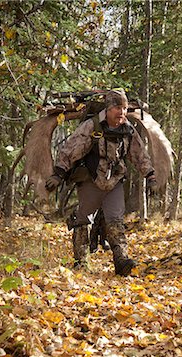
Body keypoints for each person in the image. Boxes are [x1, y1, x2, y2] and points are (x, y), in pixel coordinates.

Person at [46, 89, 157, 276]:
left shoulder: (128, 129)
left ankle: (121, 261)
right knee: (83, 220)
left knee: (115, 219)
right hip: (91, 179)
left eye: (123, 108)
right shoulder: (92, 126)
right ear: (108, 109)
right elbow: (71, 149)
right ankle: (81, 262)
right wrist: (58, 174)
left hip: (114, 181)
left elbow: (139, 155)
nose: (121, 112)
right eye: (117, 108)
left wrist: (150, 176)